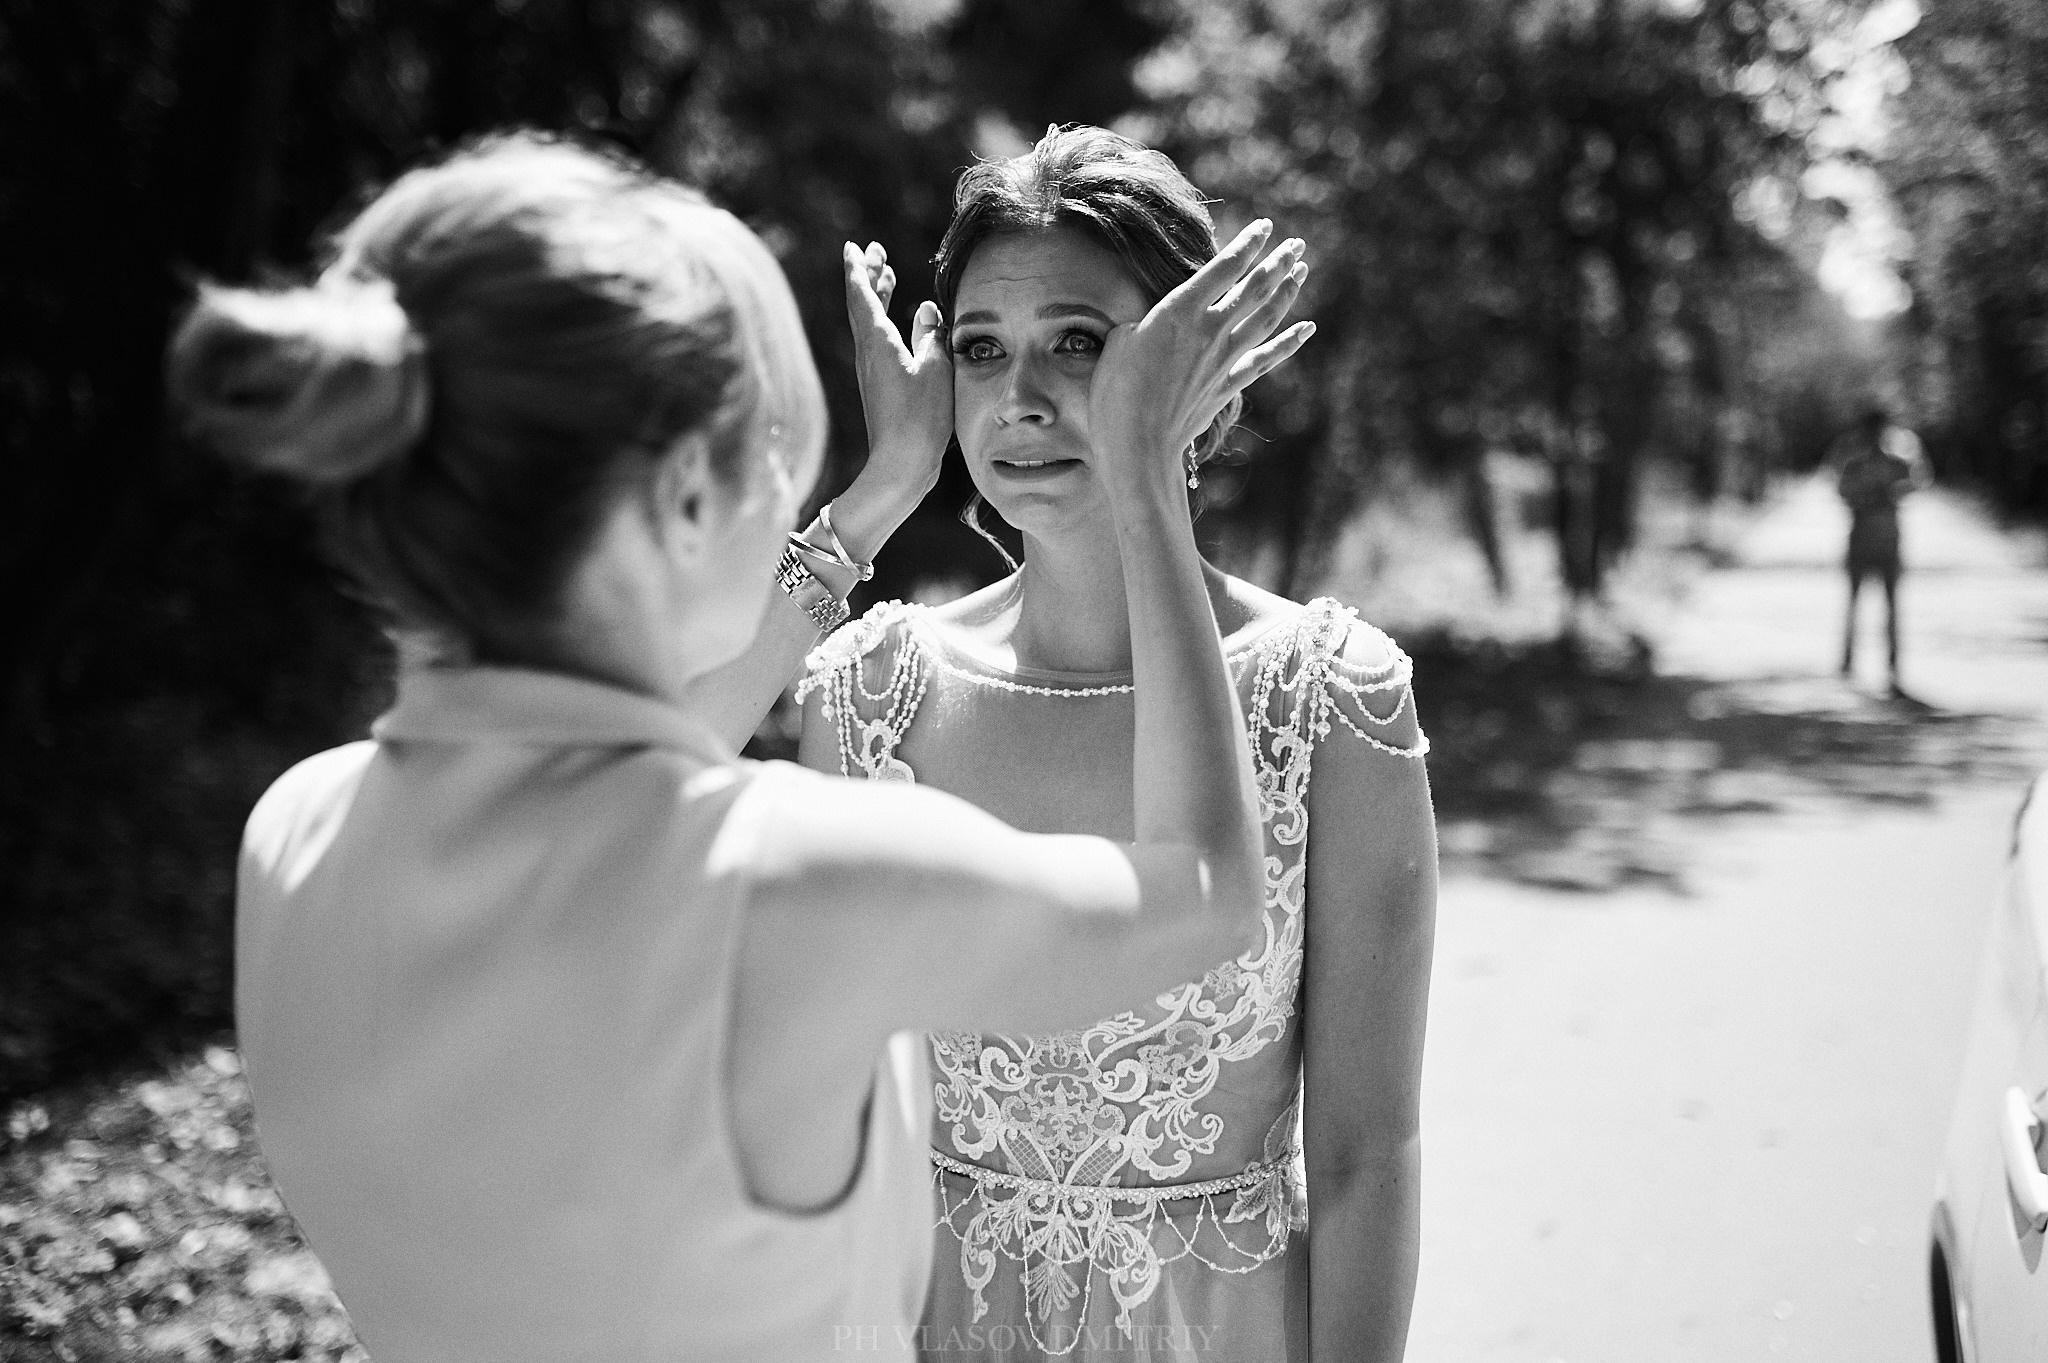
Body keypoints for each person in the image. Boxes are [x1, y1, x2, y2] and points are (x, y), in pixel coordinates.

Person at [165, 130, 1309, 1363]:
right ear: (691, 501)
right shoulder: (805, 879)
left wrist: (874, 498)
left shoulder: (295, 832)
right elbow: (1204, 888)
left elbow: (606, 765)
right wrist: (1141, 468)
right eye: (781, 457)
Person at [795, 127, 1437, 1362]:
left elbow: (1365, 1154)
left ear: (1210, 377)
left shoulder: (1330, 699)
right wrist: (876, 488)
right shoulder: (862, 695)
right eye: (981, 350)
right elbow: (827, 1136)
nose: (1020, 398)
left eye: (1081, 346)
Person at [1833, 406, 1926, 692]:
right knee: (1855, 604)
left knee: (1890, 607)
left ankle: (1892, 665)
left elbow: (1917, 481)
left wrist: (1890, 491)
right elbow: (1842, 492)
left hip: (1886, 542)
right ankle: (1848, 661)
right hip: (1863, 540)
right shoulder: (1854, 464)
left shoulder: (1897, 462)